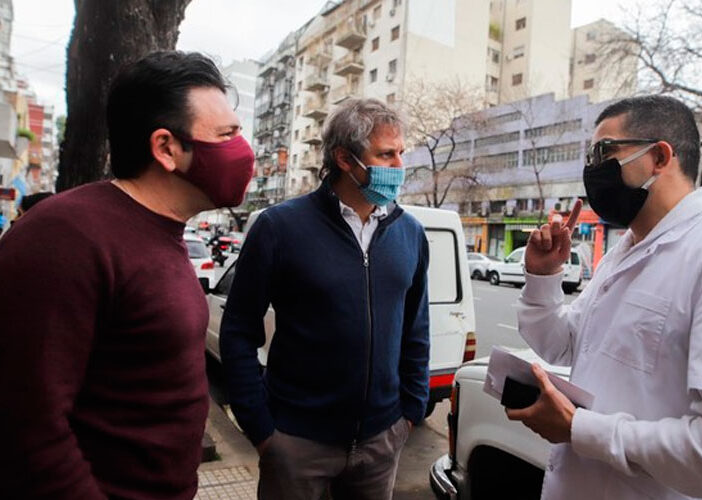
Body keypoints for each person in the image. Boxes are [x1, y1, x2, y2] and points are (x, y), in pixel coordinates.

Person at [508, 95, 702, 499]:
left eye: (604, 152)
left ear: (660, 157)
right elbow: (563, 345)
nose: (593, 169)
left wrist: (581, 428)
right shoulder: (624, 252)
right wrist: (543, 276)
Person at [0, 51, 254, 499]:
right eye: (227, 134)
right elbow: (27, 423)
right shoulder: (65, 236)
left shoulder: (165, 231)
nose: (242, 149)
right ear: (165, 148)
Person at [220, 98, 430, 500]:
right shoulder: (279, 228)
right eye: (386, 154)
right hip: (296, 443)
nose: (400, 166)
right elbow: (238, 330)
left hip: (381, 442)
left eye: (401, 152)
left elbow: (415, 328)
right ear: (345, 159)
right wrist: (263, 431)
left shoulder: (411, 234)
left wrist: (409, 413)